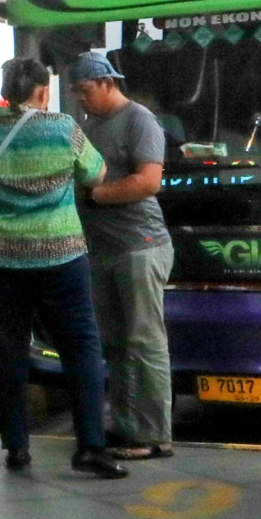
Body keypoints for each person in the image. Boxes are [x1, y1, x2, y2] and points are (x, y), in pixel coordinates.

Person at [0, 57, 127, 479]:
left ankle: (16, 446)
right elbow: (98, 173)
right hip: (60, 258)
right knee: (82, 347)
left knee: (8, 349)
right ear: (42, 92)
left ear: (7, 91)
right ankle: (89, 447)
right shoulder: (63, 129)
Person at [70, 52, 175, 460]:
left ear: (107, 83)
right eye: (75, 92)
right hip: (103, 250)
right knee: (115, 343)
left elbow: (148, 181)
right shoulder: (88, 126)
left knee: (144, 341)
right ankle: (129, 428)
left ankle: (154, 435)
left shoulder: (139, 120)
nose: (80, 98)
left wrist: (95, 196)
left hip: (140, 246)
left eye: (84, 90)